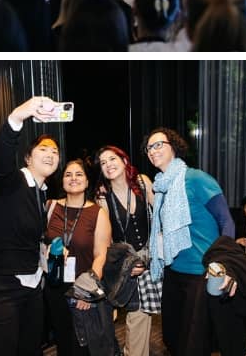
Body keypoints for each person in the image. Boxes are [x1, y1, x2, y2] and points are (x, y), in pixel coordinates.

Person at [0, 96, 62, 356]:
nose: (51, 154)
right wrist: (17, 116)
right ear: (28, 158)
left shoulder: (40, 192)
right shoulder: (12, 182)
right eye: (44, 149)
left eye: (55, 151)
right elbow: (1, 161)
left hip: (30, 285)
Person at [145, 127, 246, 356]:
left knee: (195, 343)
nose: (153, 151)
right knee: (173, 337)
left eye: (158, 144)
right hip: (173, 270)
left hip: (201, 272)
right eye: (149, 148)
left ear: (174, 146)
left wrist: (225, 265)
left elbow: (226, 221)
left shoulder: (196, 178)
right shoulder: (161, 187)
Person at [44, 158, 115, 356]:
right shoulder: (50, 207)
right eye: (68, 174)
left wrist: (87, 290)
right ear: (62, 181)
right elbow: (38, 242)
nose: (73, 178)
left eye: (79, 174)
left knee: (84, 344)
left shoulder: (97, 213)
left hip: (82, 287)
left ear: (86, 181)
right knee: (63, 340)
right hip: (54, 285)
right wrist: (47, 249)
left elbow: (102, 254)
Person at [95, 146, 158, 356]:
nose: (108, 165)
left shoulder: (142, 182)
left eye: (112, 159)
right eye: (103, 163)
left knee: (146, 314)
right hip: (128, 264)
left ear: (124, 160)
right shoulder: (103, 197)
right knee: (137, 313)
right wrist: (125, 265)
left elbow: (160, 215)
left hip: (154, 257)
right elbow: (108, 238)